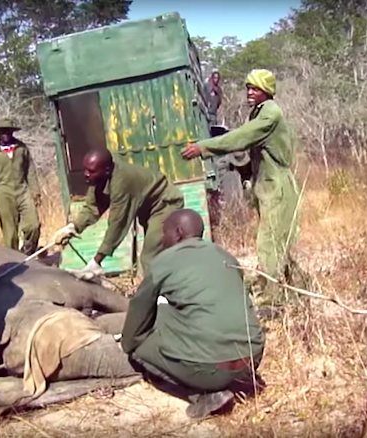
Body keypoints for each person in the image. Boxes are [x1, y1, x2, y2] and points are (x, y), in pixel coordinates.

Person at [120, 209, 265, 419]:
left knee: (137, 348)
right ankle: (231, 382)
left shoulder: (164, 261)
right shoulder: (225, 256)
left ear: (178, 233)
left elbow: (139, 309)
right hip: (251, 359)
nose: (162, 240)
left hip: (211, 370)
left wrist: (129, 343)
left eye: (165, 233)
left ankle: (200, 396)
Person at [181, 69, 310, 305]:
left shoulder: (270, 114)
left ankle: (273, 301)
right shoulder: (258, 112)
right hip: (267, 185)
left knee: (269, 243)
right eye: (248, 87)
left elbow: (241, 137)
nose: (250, 92)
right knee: (277, 243)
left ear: (267, 91)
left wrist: (203, 147)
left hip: (277, 186)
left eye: (255, 88)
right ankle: (300, 288)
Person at [53, 148, 184, 278]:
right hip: (147, 210)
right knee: (160, 254)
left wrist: (96, 262)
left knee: (150, 257)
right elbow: (92, 208)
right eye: (85, 169)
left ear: (106, 170)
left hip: (165, 205)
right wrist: (72, 227)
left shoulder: (122, 182)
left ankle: (160, 296)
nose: (86, 174)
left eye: (91, 171)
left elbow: (118, 224)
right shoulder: (99, 177)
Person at [0, 118, 41, 255]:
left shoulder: (22, 148)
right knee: (10, 233)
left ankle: (28, 253)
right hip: (3, 192)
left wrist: (35, 191)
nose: (5, 134)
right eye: (2, 131)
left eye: (8, 131)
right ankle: (14, 261)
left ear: (13, 132)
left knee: (33, 225)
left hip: (22, 190)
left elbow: (30, 171)